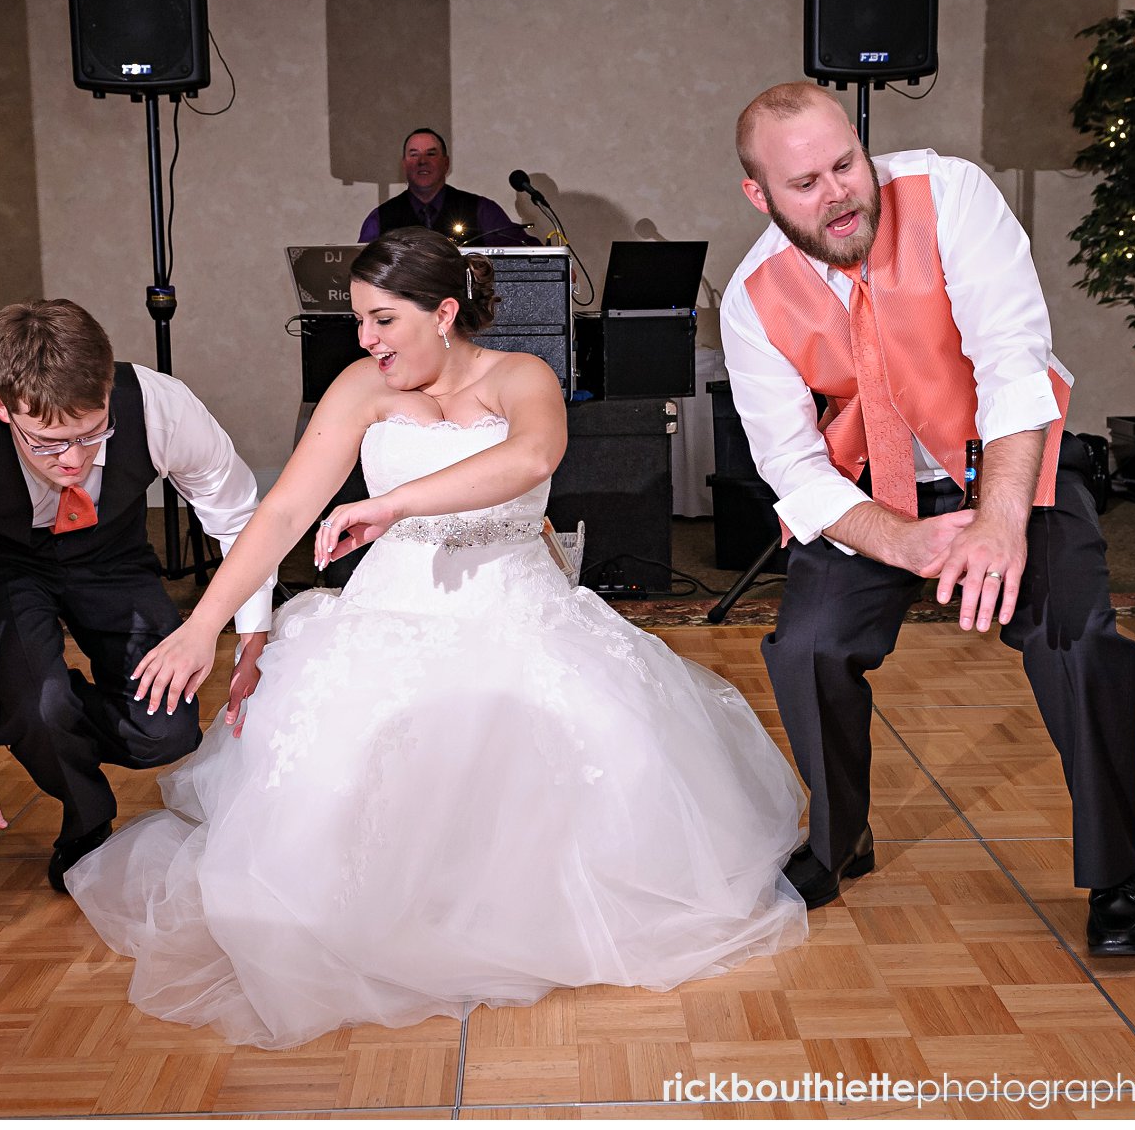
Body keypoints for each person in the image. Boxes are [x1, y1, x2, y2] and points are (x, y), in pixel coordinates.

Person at [64, 227, 808, 1050]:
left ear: (445, 312)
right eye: (357, 320)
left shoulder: (522, 377)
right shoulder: (360, 387)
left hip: (519, 608)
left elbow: (531, 457)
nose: (365, 339)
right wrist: (205, 625)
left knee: (602, 755)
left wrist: (395, 503)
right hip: (392, 612)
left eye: (383, 320)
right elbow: (280, 512)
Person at [719, 82, 1135, 954]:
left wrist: (999, 519)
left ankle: (1118, 872)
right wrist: (901, 538)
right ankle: (839, 838)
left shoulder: (952, 193)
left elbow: (1013, 363)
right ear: (760, 196)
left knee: (1076, 635)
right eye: (804, 183)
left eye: (846, 163)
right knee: (807, 646)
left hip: (1008, 454)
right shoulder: (748, 298)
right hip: (875, 489)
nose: (839, 192)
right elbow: (793, 467)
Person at [0, 299, 272, 891]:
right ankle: (86, 821)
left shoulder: (160, 405)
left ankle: (0, 709)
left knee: (166, 730)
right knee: (41, 706)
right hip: (4, 566)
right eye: (46, 443)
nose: (75, 460)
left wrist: (252, 634)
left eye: (92, 434)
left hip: (112, 557)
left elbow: (242, 519)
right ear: (1, 408)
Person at [358, 127, 535, 246]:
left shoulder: (481, 210)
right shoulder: (381, 218)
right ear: (404, 165)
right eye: (414, 155)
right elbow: (361, 271)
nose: (422, 162)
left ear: (446, 163)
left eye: (431, 154)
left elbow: (522, 253)